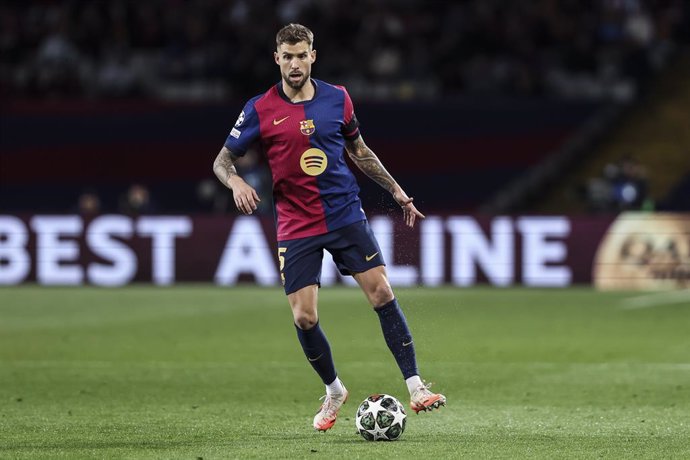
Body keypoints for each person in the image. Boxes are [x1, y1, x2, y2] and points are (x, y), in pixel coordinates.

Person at [212, 23, 446, 432]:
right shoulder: (259, 108)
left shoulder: (338, 98)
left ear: (313, 56)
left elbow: (360, 150)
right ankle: (334, 389)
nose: (295, 63)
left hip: (344, 215)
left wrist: (395, 190)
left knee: (383, 292)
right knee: (304, 318)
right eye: (288, 56)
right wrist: (234, 182)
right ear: (277, 59)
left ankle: (415, 385)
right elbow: (221, 161)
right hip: (296, 224)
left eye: (302, 55)